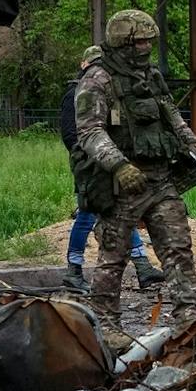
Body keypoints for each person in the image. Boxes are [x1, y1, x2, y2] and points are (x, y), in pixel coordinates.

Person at [73, 11, 196, 347]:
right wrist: (119, 166)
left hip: (160, 179)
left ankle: (188, 318)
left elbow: (169, 112)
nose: (146, 47)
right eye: (140, 42)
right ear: (123, 43)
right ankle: (106, 325)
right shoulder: (98, 79)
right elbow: (89, 132)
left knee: (178, 248)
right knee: (113, 257)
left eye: (149, 41)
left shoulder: (150, 75)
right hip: (121, 184)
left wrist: (190, 144)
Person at [59, 44, 158, 294]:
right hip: (91, 166)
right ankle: (73, 270)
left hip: (109, 162)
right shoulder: (76, 93)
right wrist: (89, 160)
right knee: (87, 214)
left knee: (121, 210)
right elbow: (72, 135)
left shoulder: (107, 90)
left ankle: (142, 266)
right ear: (85, 65)